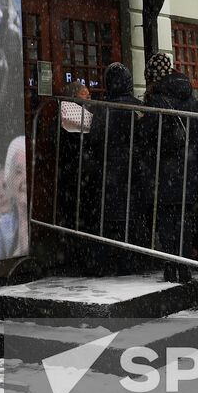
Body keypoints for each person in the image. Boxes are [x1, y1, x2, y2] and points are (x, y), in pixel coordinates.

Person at [141, 53, 198, 278]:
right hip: (188, 168)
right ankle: (184, 266)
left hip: (165, 170)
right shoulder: (190, 98)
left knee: (167, 219)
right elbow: (196, 133)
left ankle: (170, 266)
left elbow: (148, 138)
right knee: (185, 219)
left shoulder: (157, 101)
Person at [82, 62, 143, 272]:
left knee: (107, 219)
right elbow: (145, 137)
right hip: (133, 169)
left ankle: (104, 261)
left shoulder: (102, 108)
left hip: (108, 168)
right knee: (130, 217)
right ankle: (129, 261)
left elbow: (94, 138)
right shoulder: (138, 107)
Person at [56, 79, 93, 229]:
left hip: (78, 168)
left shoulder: (89, 113)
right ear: (74, 96)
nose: (88, 96)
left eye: (89, 94)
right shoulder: (67, 114)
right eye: (84, 94)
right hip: (75, 167)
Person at [0, 136, 27, 262]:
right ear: (9, 179)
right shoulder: (2, 227)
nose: (25, 179)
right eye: (18, 172)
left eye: (28, 170)